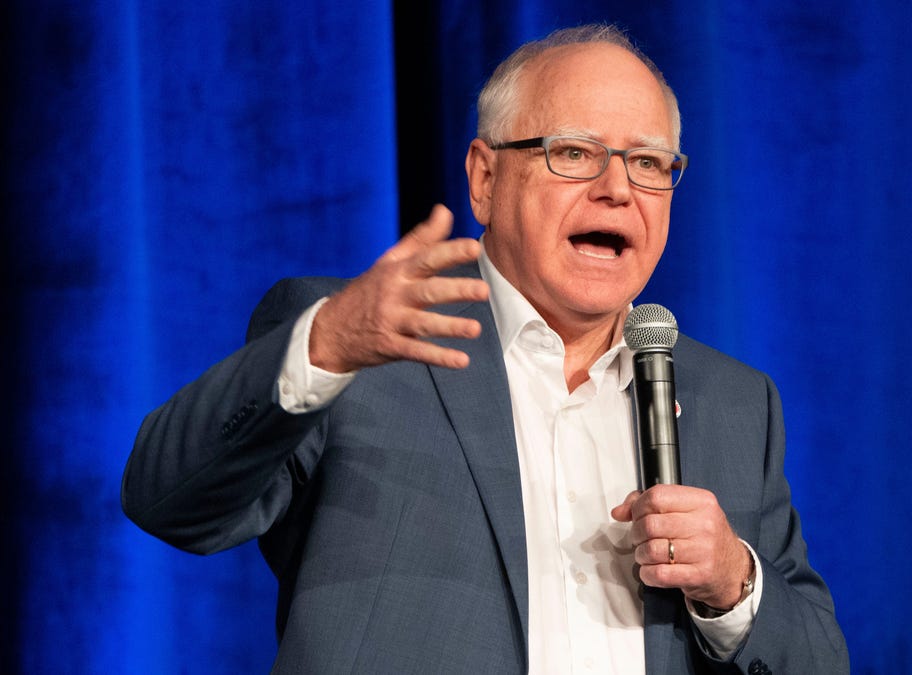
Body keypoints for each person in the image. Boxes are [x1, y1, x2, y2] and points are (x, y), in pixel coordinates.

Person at [122, 23, 849, 674]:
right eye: (574, 152)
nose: (617, 189)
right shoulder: (365, 344)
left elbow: (816, 659)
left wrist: (731, 580)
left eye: (650, 164)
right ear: (485, 178)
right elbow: (170, 503)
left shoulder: (734, 401)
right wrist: (326, 344)